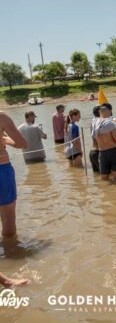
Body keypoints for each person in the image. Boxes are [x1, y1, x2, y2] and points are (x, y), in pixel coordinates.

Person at [0, 111, 30, 286]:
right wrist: (5, 140)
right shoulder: (1, 117)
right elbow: (21, 143)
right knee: (9, 223)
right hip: (1, 169)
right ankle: (12, 255)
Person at [92, 103, 116, 180]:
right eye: (110, 112)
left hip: (102, 153)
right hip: (113, 151)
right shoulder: (110, 124)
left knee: (104, 179)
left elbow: (94, 137)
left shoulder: (94, 124)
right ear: (107, 112)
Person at [89, 105, 100, 173]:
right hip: (98, 152)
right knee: (107, 177)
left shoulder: (92, 121)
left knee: (97, 177)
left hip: (92, 152)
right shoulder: (99, 122)